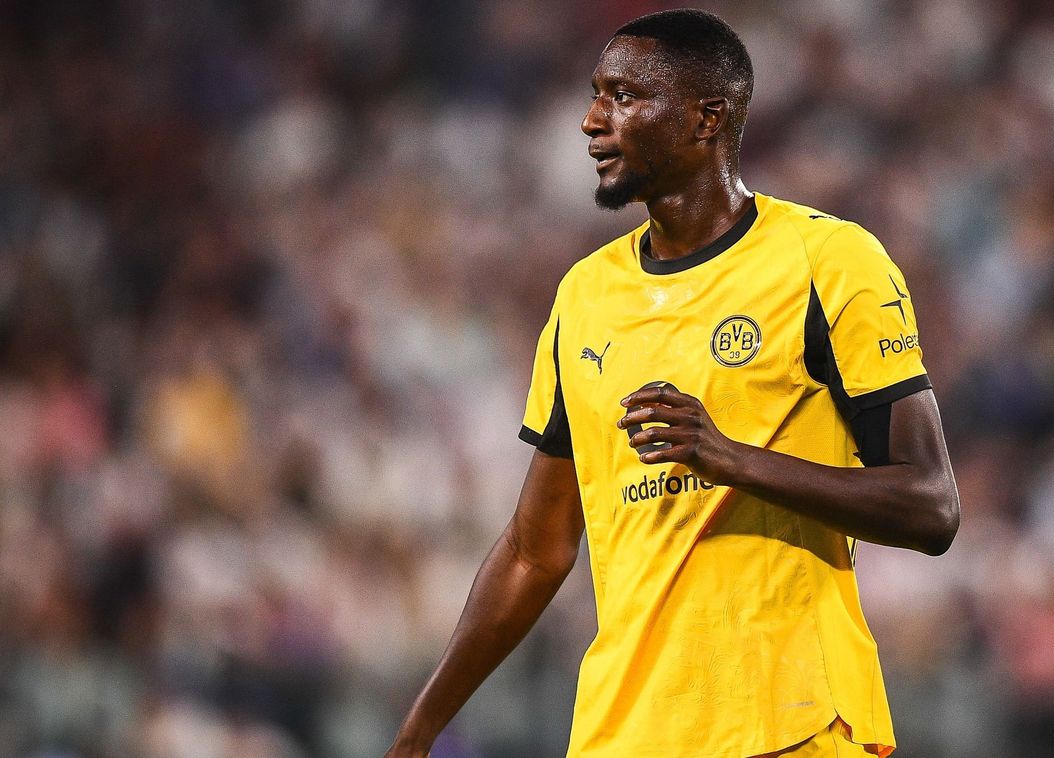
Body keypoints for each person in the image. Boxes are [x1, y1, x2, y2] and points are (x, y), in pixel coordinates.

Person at [386, 9, 959, 757]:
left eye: (624, 96)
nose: (593, 120)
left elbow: (929, 506)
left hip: (791, 725)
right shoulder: (584, 297)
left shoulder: (829, 261)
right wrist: (419, 729)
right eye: (596, 95)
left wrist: (729, 458)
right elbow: (535, 550)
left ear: (705, 118)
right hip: (623, 735)